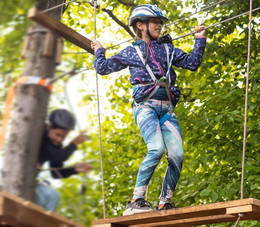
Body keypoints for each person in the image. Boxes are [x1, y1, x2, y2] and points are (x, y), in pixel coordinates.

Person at [91, 4, 206, 215]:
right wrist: (99, 50)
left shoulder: (168, 49)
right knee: (156, 149)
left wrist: (200, 39)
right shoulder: (131, 51)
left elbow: (192, 63)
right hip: (146, 106)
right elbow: (103, 68)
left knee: (177, 155)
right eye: (155, 22)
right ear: (140, 25)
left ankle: (165, 201)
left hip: (167, 109)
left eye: (160, 24)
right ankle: (136, 201)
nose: (159, 27)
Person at [35, 109, 92, 211]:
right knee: (40, 201)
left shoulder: (56, 144)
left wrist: (75, 169)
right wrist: (74, 143)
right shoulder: (41, 135)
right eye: (57, 134)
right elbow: (58, 156)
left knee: (53, 196)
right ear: (49, 127)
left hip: (31, 181)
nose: (59, 139)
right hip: (8, 176)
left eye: (64, 137)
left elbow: (56, 173)